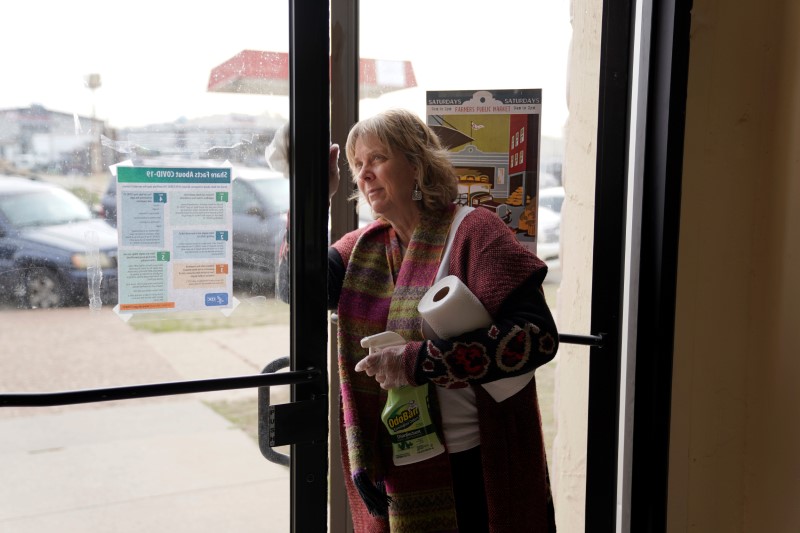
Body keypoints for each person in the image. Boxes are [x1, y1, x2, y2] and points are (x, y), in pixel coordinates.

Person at [280, 109, 559, 532]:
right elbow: (293, 292)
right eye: (357, 165)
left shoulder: (473, 231)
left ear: (416, 164)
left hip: (477, 462)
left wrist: (415, 362)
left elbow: (536, 337)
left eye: (377, 158)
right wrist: (310, 196)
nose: (365, 173)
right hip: (398, 462)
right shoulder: (362, 249)